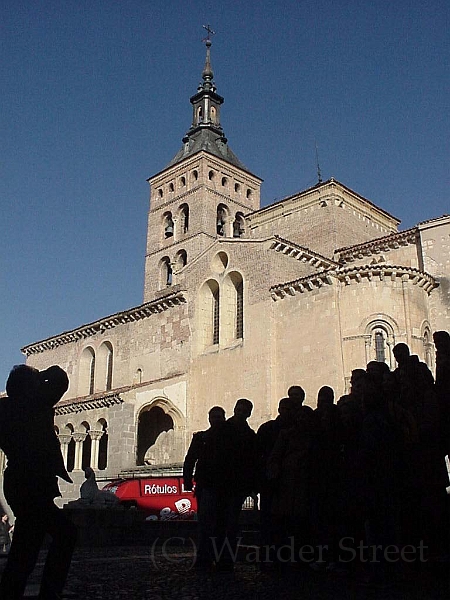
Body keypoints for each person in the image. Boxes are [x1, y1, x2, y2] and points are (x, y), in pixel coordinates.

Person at [0, 364, 77, 600]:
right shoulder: (35, 403)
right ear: (29, 387)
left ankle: (12, 592)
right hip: (33, 483)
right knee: (63, 535)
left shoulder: (4, 408)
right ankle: (47, 593)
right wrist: (38, 377)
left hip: (17, 481)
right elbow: (60, 377)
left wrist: (26, 380)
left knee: (28, 544)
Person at [183, 406, 239, 571]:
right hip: (207, 487)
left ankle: (224, 560)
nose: (216, 420)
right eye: (213, 417)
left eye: (219, 417)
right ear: (209, 419)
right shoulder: (201, 438)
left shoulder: (231, 438)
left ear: (224, 418)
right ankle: (204, 560)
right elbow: (190, 459)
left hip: (226, 488)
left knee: (224, 526)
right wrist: (187, 480)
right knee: (206, 526)